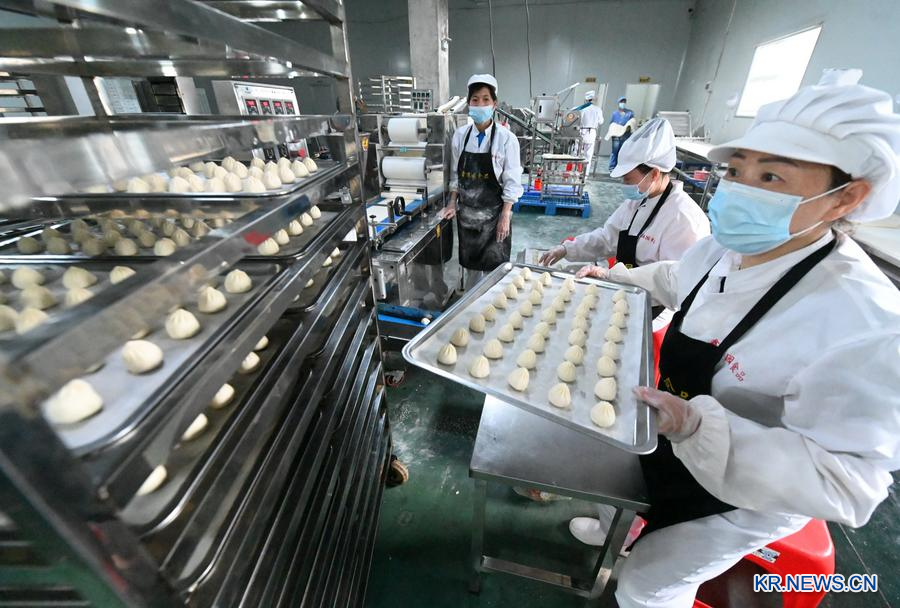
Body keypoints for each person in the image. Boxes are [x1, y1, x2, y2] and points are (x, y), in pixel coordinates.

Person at [576, 69, 900, 607]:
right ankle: (616, 524)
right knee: (628, 482)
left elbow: (848, 484)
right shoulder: (728, 247)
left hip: (748, 496)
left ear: (846, 197)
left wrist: (697, 426)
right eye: (736, 170)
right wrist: (617, 278)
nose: (740, 189)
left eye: (770, 176)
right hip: (672, 436)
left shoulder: (867, 325)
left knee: (648, 583)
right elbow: (676, 278)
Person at [540, 118, 709, 327]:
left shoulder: (684, 218)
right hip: (622, 290)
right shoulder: (636, 201)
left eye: (628, 179)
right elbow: (607, 238)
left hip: (653, 311)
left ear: (654, 174)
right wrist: (567, 249)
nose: (624, 184)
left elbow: (673, 283)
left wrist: (611, 275)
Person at [440, 74, 524, 289]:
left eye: (486, 99)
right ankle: (471, 302)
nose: (480, 104)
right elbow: (456, 175)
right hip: (468, 218)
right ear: (469, 103)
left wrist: (505, 215)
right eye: (475, 100)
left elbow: (512, 181)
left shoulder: (506, 139)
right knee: (472, 269)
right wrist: (452, 203)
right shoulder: (460, 136)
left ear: (494, 104)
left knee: (494, 269)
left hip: (495, 216)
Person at [578, 90, 604, 175]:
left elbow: (577, 120)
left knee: (577, 153)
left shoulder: (581, 108)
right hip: (592, 132)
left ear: (585, 99)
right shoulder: (597, 109)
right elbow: (601, 121)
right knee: (588, 155)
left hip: (581, 131)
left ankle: (577, 172)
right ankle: (585, 174)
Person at [608, 96, 636, 171]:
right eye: (621, 102)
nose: (622, 103)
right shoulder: (615, 113)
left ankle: (619, 168)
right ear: (618, 103)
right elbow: (611, 124)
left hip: (625, 135)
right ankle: (612, 167)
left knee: (622, 152)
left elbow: (632, 123)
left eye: (624, 102)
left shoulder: (630, 113)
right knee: (615, 152)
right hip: (616, 136)